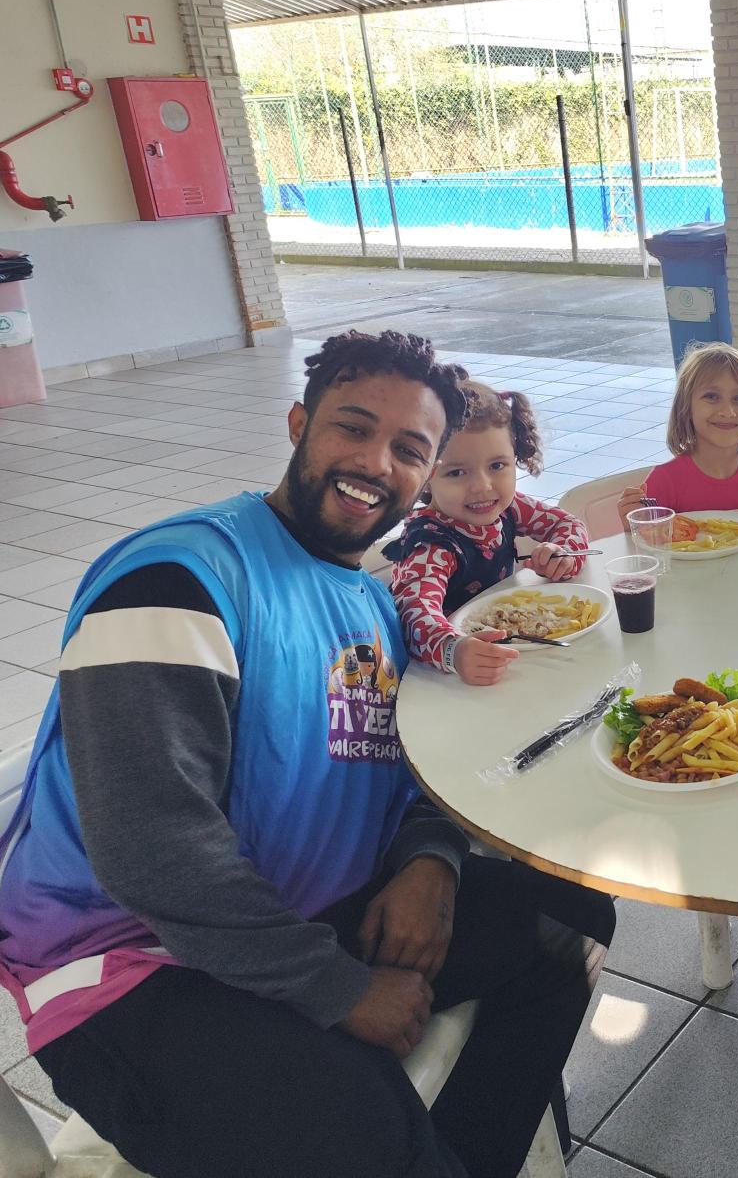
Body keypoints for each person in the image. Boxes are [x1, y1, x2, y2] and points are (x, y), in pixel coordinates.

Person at [0, 331, 611, 1178]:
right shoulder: (178, 578)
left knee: (570, 921)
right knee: (367, 1139)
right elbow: (153, 851)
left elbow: (412, 761)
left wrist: (429, 863)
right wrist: (339, 988)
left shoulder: (373, 603)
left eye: (409, 449)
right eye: (352, 428)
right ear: (298, 424)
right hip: (137, 966)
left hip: (315, 909)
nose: (376, 462)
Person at [386, 380, 590, 687]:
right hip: (449, 681)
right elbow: (414, 616)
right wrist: (455, 651)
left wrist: (563, 555)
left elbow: (568, 525)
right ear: (425, 474)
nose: (482, 486)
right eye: (456, 472)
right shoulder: (429, 545)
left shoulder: (509, 507)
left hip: (515, 658)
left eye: (497, 466)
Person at [617, 343, 738, 521]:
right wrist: (634, 522)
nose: (727, 412)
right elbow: (647, 535)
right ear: (686, 407)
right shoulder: (665, 481)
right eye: (711, 396)